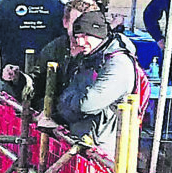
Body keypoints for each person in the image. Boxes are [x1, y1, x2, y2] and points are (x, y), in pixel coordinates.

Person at [39, 8, 137, 153]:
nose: (79, 41)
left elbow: (87, 104)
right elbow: (71, 91)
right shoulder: (90, 57)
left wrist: (64, 104)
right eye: (78, 36)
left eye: (85, 36)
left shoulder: (118, 64)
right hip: (85, 141)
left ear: (98, 33)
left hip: (103, 150)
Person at [6, 0, 102, 104]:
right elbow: (37, 84)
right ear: (65, 22)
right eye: (77, 23)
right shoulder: (54, 48)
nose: (82, 29)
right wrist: (18, 78)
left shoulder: (99, 52)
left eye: (87, 24)